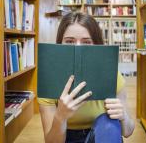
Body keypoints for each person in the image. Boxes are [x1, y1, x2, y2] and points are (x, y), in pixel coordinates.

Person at [38, 12, 135, 143]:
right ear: (59, 44)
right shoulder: (49, 80)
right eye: (70, 41)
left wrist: (124, 117)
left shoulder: (112, 75)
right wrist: (60, 117)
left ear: (96, 44)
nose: (78, 48)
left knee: (108, 125)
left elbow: (128, 132)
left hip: (103, 136)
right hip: (66, 137)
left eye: (87, 42)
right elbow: (51, 141)